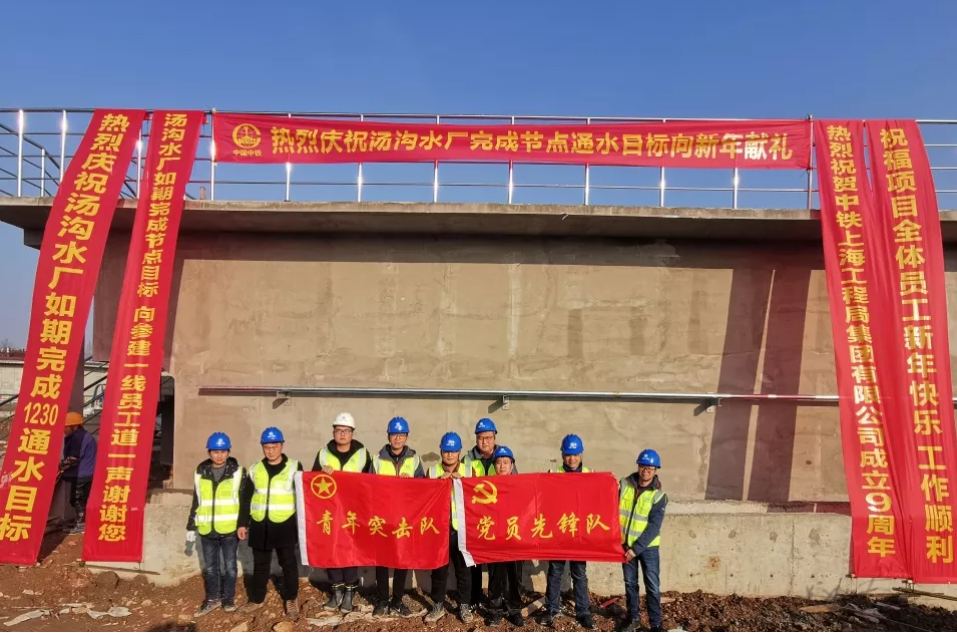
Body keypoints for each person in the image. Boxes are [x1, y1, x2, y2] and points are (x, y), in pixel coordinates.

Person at [238, 427, 303, 619]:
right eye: (267, 447)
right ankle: (257, 598)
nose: (271, 451)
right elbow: (246, 498)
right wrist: (242, 523)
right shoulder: (255, 469)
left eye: (275, 446)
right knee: (260, 565)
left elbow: (303, 495)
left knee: (288, 563)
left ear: (282, 446)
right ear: (262, 448)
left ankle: (291, 598)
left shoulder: (294, 466)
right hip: (260, 524)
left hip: (285, 524)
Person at [314, 412, 373, 614]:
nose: (342, 434)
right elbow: (313, 482)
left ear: (352, 433)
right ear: (333, 432)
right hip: (330, 513)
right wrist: (321, 472)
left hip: (352, 512)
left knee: (350, 553)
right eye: (339, 430)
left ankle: (349, 593)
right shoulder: (323, 454)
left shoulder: (362, 453)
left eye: (346, 430)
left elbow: (370, 482)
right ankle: (336, 591)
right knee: (332, 552)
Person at [186, 432, 247, 617]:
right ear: (209, 452)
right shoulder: (200, 472)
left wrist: (243, 524)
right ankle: (213, 599)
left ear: (228, 452)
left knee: (230, 567)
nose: (219, 455)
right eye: (215, 451)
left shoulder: (238, 472)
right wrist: (191, 526)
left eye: (223, 451)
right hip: (207, 529)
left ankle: (228, 599)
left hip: (229, 529)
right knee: (211, 568)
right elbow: (197, 500)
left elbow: (244, 501)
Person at [371, 416, 425, 618]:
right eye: (394, 434)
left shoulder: (414, 459)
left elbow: (423, 487)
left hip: (404, 518)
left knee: (402, 560)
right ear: (389, 436)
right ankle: (382, 600)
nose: (398, 438)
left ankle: (397, 601)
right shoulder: (377, 459)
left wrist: (412, 482)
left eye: (401, 435)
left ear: (406, 437)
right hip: (383, 518)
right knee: (381, 560)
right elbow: (369, 487)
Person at [542, 434, 595, 630]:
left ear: (581, 454)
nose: (572, 459)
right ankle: (552, 608)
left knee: (579, 573)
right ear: (563, 455)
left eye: (575, 455)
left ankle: (583, 612)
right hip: (559, 532)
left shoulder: (590, 475)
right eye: (568, 455)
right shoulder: (553, 474)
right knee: (555, 572)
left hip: (579, 534)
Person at [465, 417, 518, 607]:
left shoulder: (504, 458)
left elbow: (515, 487)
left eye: (488, 437)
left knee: (499, 564)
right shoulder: (468, 459)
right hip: (476, 518)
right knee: (474, 561)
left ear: (494, 437)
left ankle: (504, 601)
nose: (484, 442)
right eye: (480, 438)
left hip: (500, 520)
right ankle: (475, 598)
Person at [616, 449, 667, 633]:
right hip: (625, 546)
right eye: (643, 466)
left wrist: (635, 549)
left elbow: (653, 527)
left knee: (652, 586)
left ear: (655, 470)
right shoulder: (624, 486)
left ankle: (655, 625)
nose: (646, 471)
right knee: (630, 584)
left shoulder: (658, 496)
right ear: (638, 466)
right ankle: (634, 618)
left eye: (650, 468)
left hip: (647, 549)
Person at [425, 432, 474, 624]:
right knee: (439, 570)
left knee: (464, 571)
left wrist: (464, 483)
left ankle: (464, 606)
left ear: (460, 452)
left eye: (453, 451)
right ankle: (437, 605)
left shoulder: (469, 471)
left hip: (462, 530)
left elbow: (478, 497)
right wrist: (439, 482)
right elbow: (423, 499)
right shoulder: (432, 472)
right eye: (446, 451)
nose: (450, 455)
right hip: (439, 530)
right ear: (441, 451)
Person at [484, 446, 523, 627]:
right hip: (495, 539)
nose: (502, 466)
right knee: (495, 576)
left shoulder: (521, 486)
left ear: (512, 465)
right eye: (498, 462)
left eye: (506, 462)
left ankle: (514, 609)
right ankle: (495, 610)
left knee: (515, 576)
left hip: (515, 538)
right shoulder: (487, 487)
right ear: (494, 465)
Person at [60, 411, 97, 534]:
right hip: (84, 473)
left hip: (83, 474)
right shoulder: (81, 436)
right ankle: (79, 521)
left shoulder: (79, 438)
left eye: (65, 427)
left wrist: (59, 465)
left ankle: (81, 524)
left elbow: (74, 458)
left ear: (74, 426)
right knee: (76, 499)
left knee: (78, 499)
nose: (64, 430)